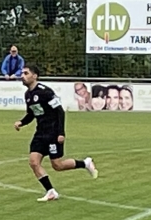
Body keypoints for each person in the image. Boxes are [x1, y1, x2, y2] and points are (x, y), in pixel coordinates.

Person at [15, 65, 98, 200]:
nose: (22, 76)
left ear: (35, 76)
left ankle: (85, 163)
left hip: (52, 133)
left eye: (26, 73)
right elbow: (32, 113)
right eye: (22, 73)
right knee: (33, 162)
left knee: (58, 165)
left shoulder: (46, 92)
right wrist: (21, 122)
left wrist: (61, 133)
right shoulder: (28, 95)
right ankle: (51, 191)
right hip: (40, 133)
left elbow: (60, 111)